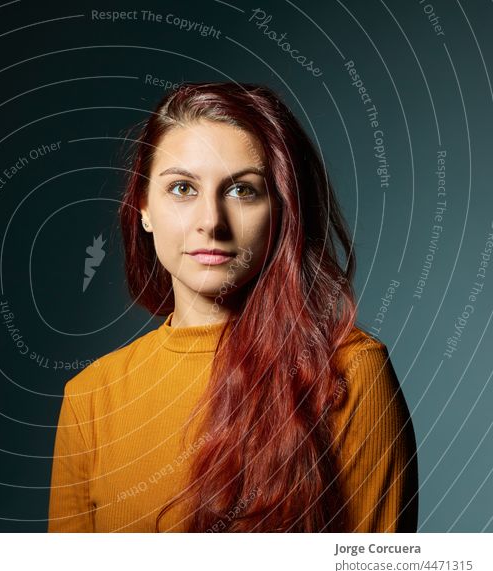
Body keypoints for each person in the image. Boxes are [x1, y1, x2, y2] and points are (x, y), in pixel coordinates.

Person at [47, 82, 418, 533]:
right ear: (144, 207)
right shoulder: (90, 398)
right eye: (182, 188)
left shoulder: (349, 373)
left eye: (242, 190)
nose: (211, 222)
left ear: (282, 209)